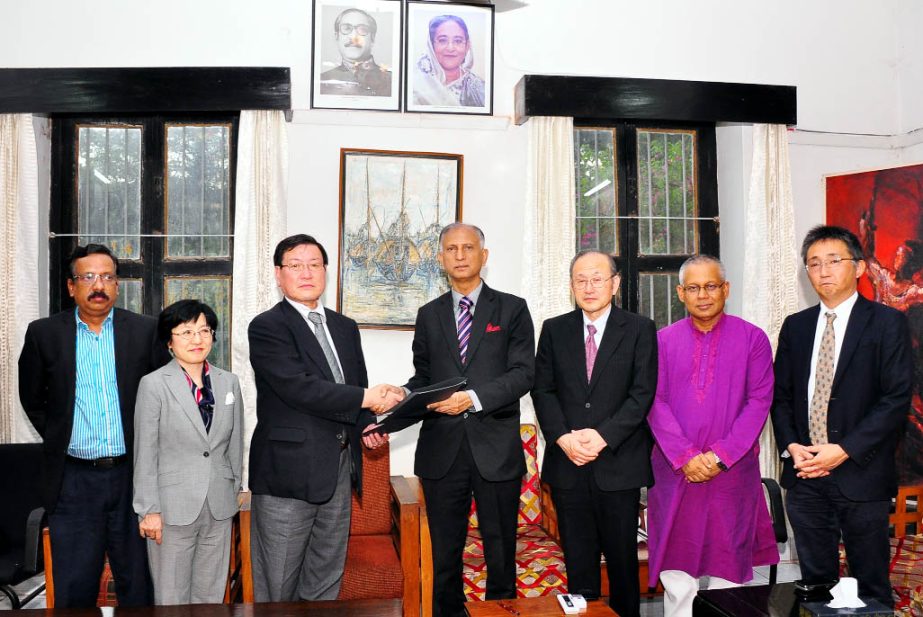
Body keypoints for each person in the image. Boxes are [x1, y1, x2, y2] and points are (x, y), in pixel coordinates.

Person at [376, 223, 533, 617]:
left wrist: (473, 399)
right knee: (444, 554)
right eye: (451, 249)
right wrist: (396, 402)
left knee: (501, 551)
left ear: (484, 254)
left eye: (468, 247)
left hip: (495, 450)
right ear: (440, 258)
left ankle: (500, 613)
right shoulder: (428, 314)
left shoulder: (512, 308)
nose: (460, 255)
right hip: (441, 452)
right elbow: (424, 379)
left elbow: (523, 373)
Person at [247, 233, 401, 602]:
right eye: (295, 266)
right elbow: (300, 388)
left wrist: (367, 427)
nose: (306, 273)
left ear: (326, 271)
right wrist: (368, 397)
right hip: (288, 477)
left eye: (314, 265)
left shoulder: (344, 327)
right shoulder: (268, 327)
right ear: (278, 274)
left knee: (325, 579)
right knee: (279, 586)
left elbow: (354, 388)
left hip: (339, 472)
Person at [18, 243, 170, 607]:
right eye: (88, 277)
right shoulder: (44, 334)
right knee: (75, 586)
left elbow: (163, 399)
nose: (97, 284)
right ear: (72, 286)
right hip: (73, 482)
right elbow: (32, 399)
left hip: (133, 477)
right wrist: (63, 436)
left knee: (138, 584)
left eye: (106, 276)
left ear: (117, 286)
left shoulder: (146, 332)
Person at [772, 225, 913, 607]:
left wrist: (844, 449)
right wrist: (791, 447)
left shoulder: (887, 324)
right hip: (805, 477)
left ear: (860, 268)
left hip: (861, 473)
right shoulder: (796, 327)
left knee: (869, 589)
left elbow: (895, 399)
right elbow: (780, 396)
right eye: (814, 264)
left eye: (834, 261)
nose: (823, 272)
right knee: (815, 588)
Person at [646, 255, 778, 617]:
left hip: (731, 474)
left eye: (711, 286)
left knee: (728, 566)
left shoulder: (753, 339)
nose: (703, 295)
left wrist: (719, 456)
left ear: (726, 289)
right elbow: (653, 401)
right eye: (693, 287)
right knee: (677, 571)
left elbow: (759, 401)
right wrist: (685, 456)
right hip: (675, 472)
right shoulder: (661, 341)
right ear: (680, 293)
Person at [531, 250, 656, 617]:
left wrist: (602, 437)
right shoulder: (554, 329)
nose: (589, 287)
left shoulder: (639, 328)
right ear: (571, 286)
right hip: (569, 464)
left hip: (618, 464)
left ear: (614, 284)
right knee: (579, 566)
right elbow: (543, 390)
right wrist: (563, 438)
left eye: (598, 279)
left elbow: (642, 393)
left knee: (621, 566)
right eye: (581, 280)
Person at [132, 299, 243, 605]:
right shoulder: (153, 385)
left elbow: (234, 442)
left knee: (210, 594)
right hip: (170, 508)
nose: (197, 339)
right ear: (169, 341)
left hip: (219, 505)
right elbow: (145, 452)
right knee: (172, 597)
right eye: (187, 332)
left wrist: (235, 490)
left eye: (204, 331)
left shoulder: (228, 382)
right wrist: (149, 510)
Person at [412, 15, 485, 107]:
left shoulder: (479, 88)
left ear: (467, 46)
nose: (450, 48)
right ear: (431, 46)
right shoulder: (415, 84)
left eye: (458, 41)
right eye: (442, 40)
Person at [319, 8, 392, 97]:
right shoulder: (321, 82)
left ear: (372, 38)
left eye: (362, 29)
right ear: (337, 37)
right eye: (346, 28)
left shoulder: (392, 81)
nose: (354, 37)